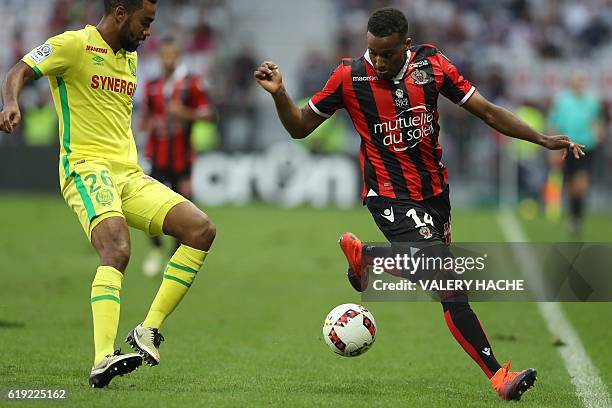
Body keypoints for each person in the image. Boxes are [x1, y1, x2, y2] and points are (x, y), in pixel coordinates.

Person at [254, 7, 585, 401]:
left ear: (406, 46)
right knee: (449, 284)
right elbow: (299, 128)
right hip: (389, 196)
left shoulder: (432, 66)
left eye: (387, 54)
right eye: (372, 52)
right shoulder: (348, 76)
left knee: (436, 279)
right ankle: (499, 376)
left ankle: (372, 259)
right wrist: (281, 95)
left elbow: (488, 112)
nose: (377, 62)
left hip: (435, 194)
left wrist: (542, 139)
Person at [0, 0, 216, 388]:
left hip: (129, 175)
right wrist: (11, 102)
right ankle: (103, 357)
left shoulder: (129, 57)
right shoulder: (72, 45)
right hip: (85, 168)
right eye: (145, 22)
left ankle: (148, 330)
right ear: (120, 13)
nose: (149, 31)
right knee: (117, 250)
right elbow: (20, 70)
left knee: (201, 230)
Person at [140, 36, 215, 277]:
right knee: (147, 205)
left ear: (178, 56)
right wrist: (143, 125)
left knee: (185, 209)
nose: (167, 59)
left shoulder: (192, 84)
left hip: (182, 159)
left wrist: (183, 113)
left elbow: (209, 115)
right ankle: (156, 250)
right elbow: (146, 117)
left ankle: (173, 255)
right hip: (156, 156)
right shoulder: (152, 85)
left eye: (172, 54)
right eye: (164, 55)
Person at [549, 72, 602, 237]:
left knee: (581, 184)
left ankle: (577, 217)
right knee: (572, 186)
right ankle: (574, 217)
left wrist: (599, 135)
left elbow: (597, 122)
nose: (579, 83)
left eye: (582, 80)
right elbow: (554, 124)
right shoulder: (562, 101)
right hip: (568, 147)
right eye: (577, 80)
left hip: (586, 146)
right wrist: (554, 149)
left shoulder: (592, 102)